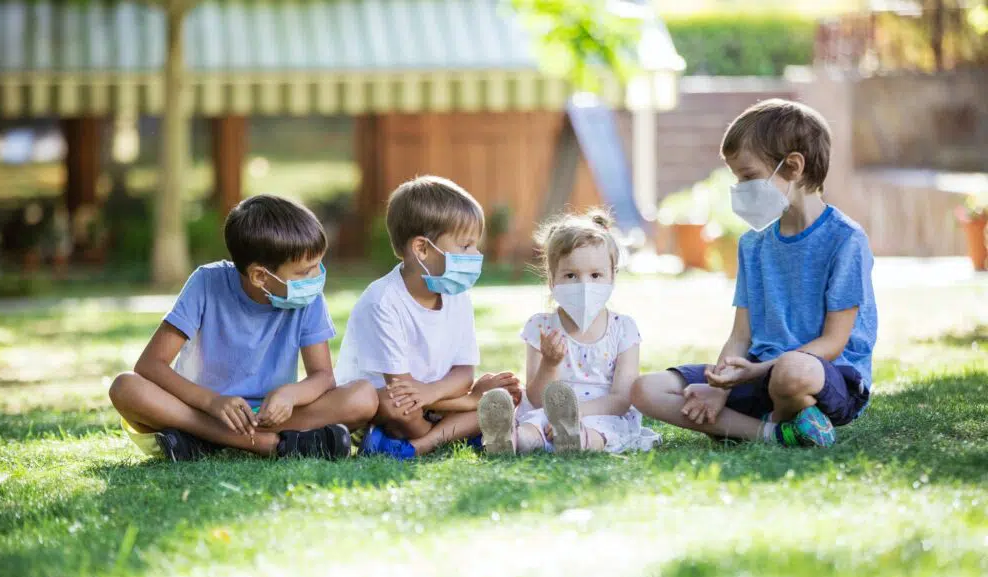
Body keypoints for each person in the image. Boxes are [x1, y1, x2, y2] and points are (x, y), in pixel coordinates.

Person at [632, 98, 878, 447]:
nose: (740, 189)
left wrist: (758, 372)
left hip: (824, 375)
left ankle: (760, 419)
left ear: (792, 167)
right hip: (756, 372)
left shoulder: (845, 240)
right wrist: (721, 385)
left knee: (791, 370)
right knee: (646, 389)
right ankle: (774, 431)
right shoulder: (753, 244)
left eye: (748, 176)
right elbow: (740, 335)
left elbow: (833, 342)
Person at [109, 195, 378, 461]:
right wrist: (212, 402)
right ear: (260, 276)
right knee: (125, 387)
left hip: (271, 417)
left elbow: (322, 376)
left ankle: (205, 441)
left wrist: (290, 394)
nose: (316, 276)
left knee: (363, 397)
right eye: (303, 272)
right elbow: (150, 365)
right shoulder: (206, 282)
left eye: (317, 265)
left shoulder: (308, 298)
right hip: (199, 410)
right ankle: (269, 445)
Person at [334, 176, 521, 459]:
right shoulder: (383, 301)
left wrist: (440, 395)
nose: (476, 254)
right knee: (395, 405)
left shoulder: (457, 295)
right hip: (388, 406)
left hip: (435, 400)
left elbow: (463, 373)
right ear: (421, 249)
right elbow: (402, 392)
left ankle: (415, 447)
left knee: (503, 394)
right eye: (466, 246)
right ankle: (452, 433)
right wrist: (471, 400)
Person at [477, 210, 659, 454]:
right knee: (534, 426)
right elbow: (536, 397)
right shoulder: (540, 327)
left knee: (599, 433)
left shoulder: (623, 329)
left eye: (596, 275)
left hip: (602, 413)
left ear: (613, 276)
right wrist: (550, 364)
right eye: (571, 275)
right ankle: (507, 437)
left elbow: (621, 399)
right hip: (547, 412)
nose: (584, 285)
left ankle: (577, 439)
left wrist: (574, 415)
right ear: (552, 279)